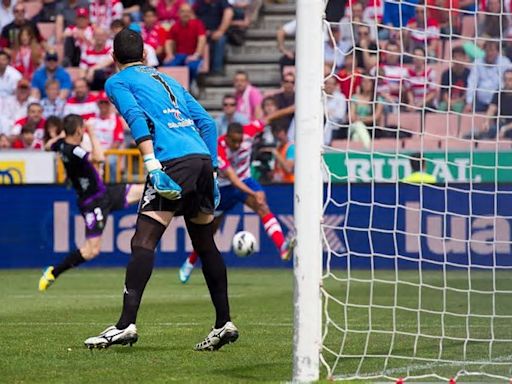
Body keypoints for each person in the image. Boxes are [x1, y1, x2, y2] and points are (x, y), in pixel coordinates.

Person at [83, 28, 238, 351]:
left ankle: (125, 325)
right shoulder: (168, 80)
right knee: (205, 243)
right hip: (200, 158)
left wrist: (152, 165)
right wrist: (211, 169)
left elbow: (135, 116)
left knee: (143, 241)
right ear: (144, 55)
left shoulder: (117, 81)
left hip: (172, 162)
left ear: (113, 58)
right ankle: (223, 322)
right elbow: (207, 123)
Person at [178, 121, 295, 284]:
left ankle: (282, 247)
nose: (238, 144)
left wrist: (293, 107)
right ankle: (190, 263)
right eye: (234, 141)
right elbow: (232, 179)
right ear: (227, 137)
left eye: (240, 141)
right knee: (209, 232)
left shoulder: (249, 132)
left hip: (245, 180)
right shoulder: (218, 148)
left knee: (263, 206)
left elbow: (270, 118)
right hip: (223, 190)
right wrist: (255, 192)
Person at [38, 114, 144, 292]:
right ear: (79, 130)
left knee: (144, 190)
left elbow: (48, 146)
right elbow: (100, 157)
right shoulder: (75, 150)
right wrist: (93, 133)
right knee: (91, 251)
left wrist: (61, 135)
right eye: (82, 129)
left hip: (104, 193)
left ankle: (182, 197)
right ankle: (53, 272)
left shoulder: (61, 145)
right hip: (92, 203)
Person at [164, 3, 206, 88]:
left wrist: (196, 55)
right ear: (178, 13)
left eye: (188, 11)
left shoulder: (198, 24)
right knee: (168, 66)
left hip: (194, 55)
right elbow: (168, 41)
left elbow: (202, 39)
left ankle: (190, 86)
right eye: (183, 11)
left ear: (191, 13)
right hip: (180, 55)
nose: (185, 14)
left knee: (191, 67)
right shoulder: (175, 26)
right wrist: (169, 54)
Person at [439, 46, 470, 113]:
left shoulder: (469, 74)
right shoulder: (446, 74)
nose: (458, 59)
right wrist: (449, 102)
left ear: (464, 58)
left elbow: (467, 93)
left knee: (459, 108)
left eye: (460, 57)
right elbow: (444, 93)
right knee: (441, 107)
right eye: (455, 57)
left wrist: (456, 102)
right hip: (447, 101)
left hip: (461, 102)